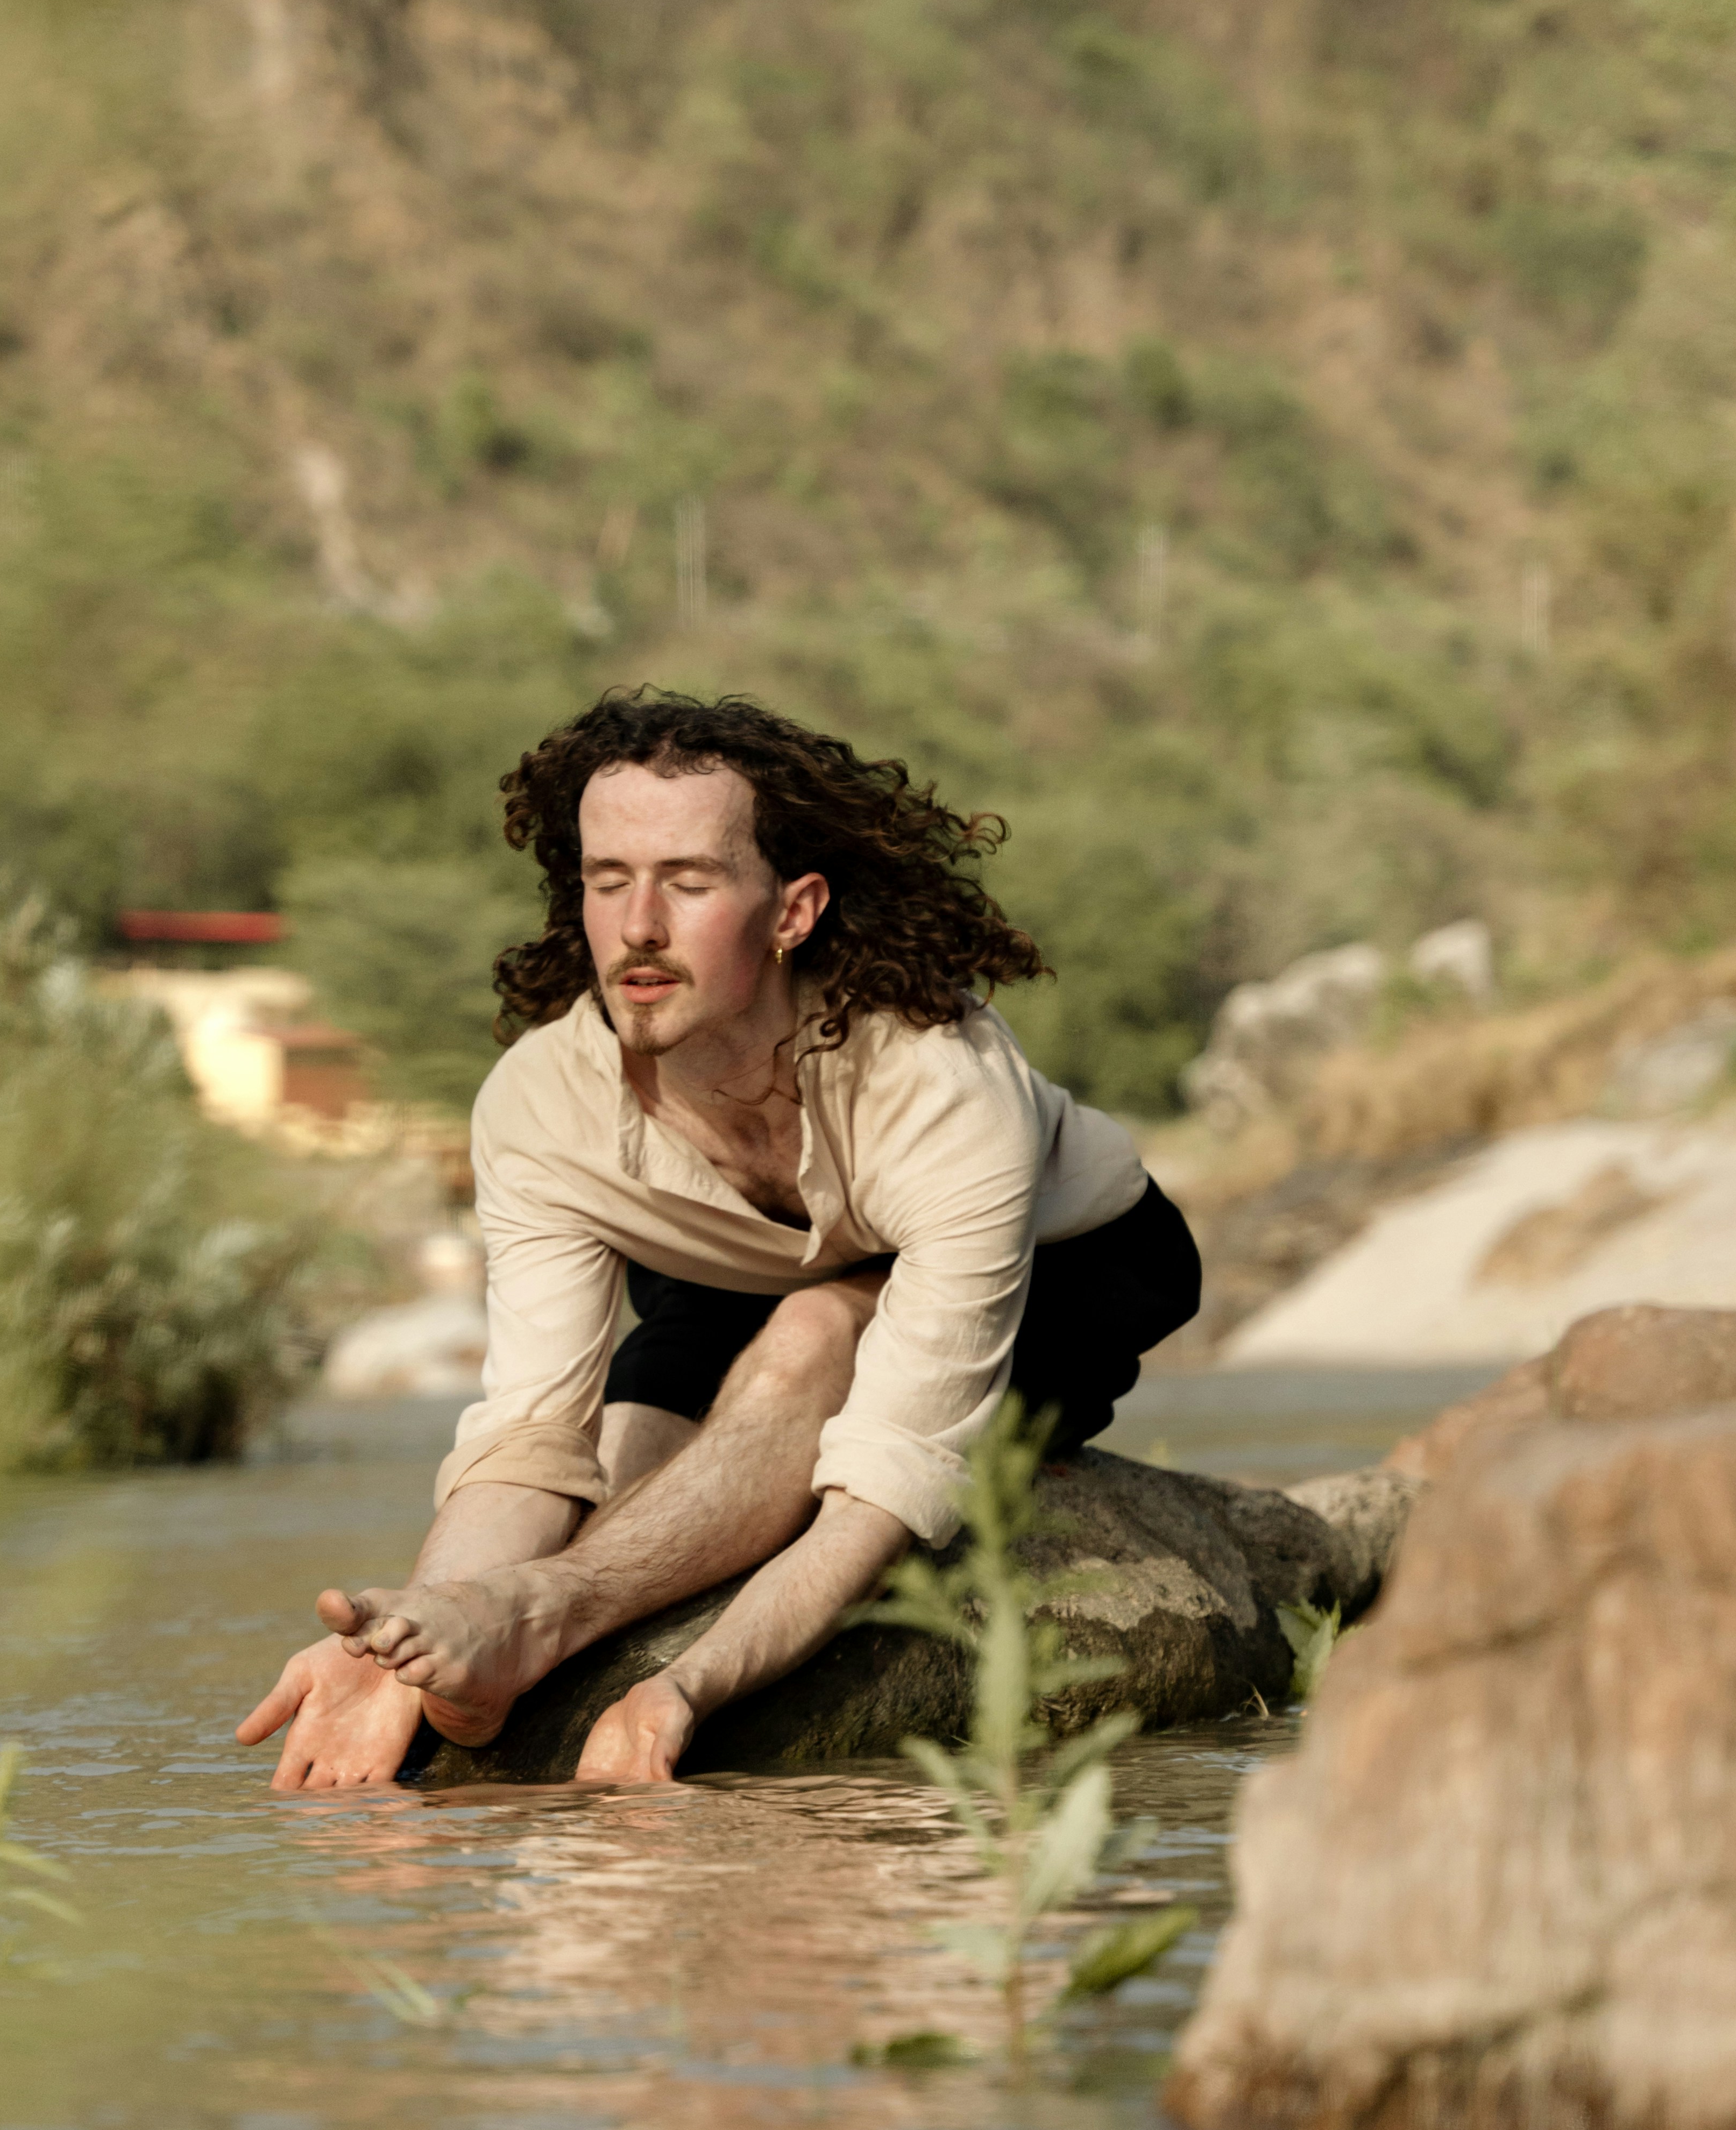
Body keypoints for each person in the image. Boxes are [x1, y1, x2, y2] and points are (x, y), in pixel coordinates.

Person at [236, 690, 1201, 1791]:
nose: (637, 925)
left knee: (811, 1336)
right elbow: (528, 1432)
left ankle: (543, 1615)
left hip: (1075, 1270)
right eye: (608, 882)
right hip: (734, 1273)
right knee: (628, 1442)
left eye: (687, 882)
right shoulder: (539, 1104)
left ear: (791, 912)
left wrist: (679, 1682)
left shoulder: (935, 1082)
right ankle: (512, 1625)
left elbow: (882, 1478)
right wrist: (412, 1633)